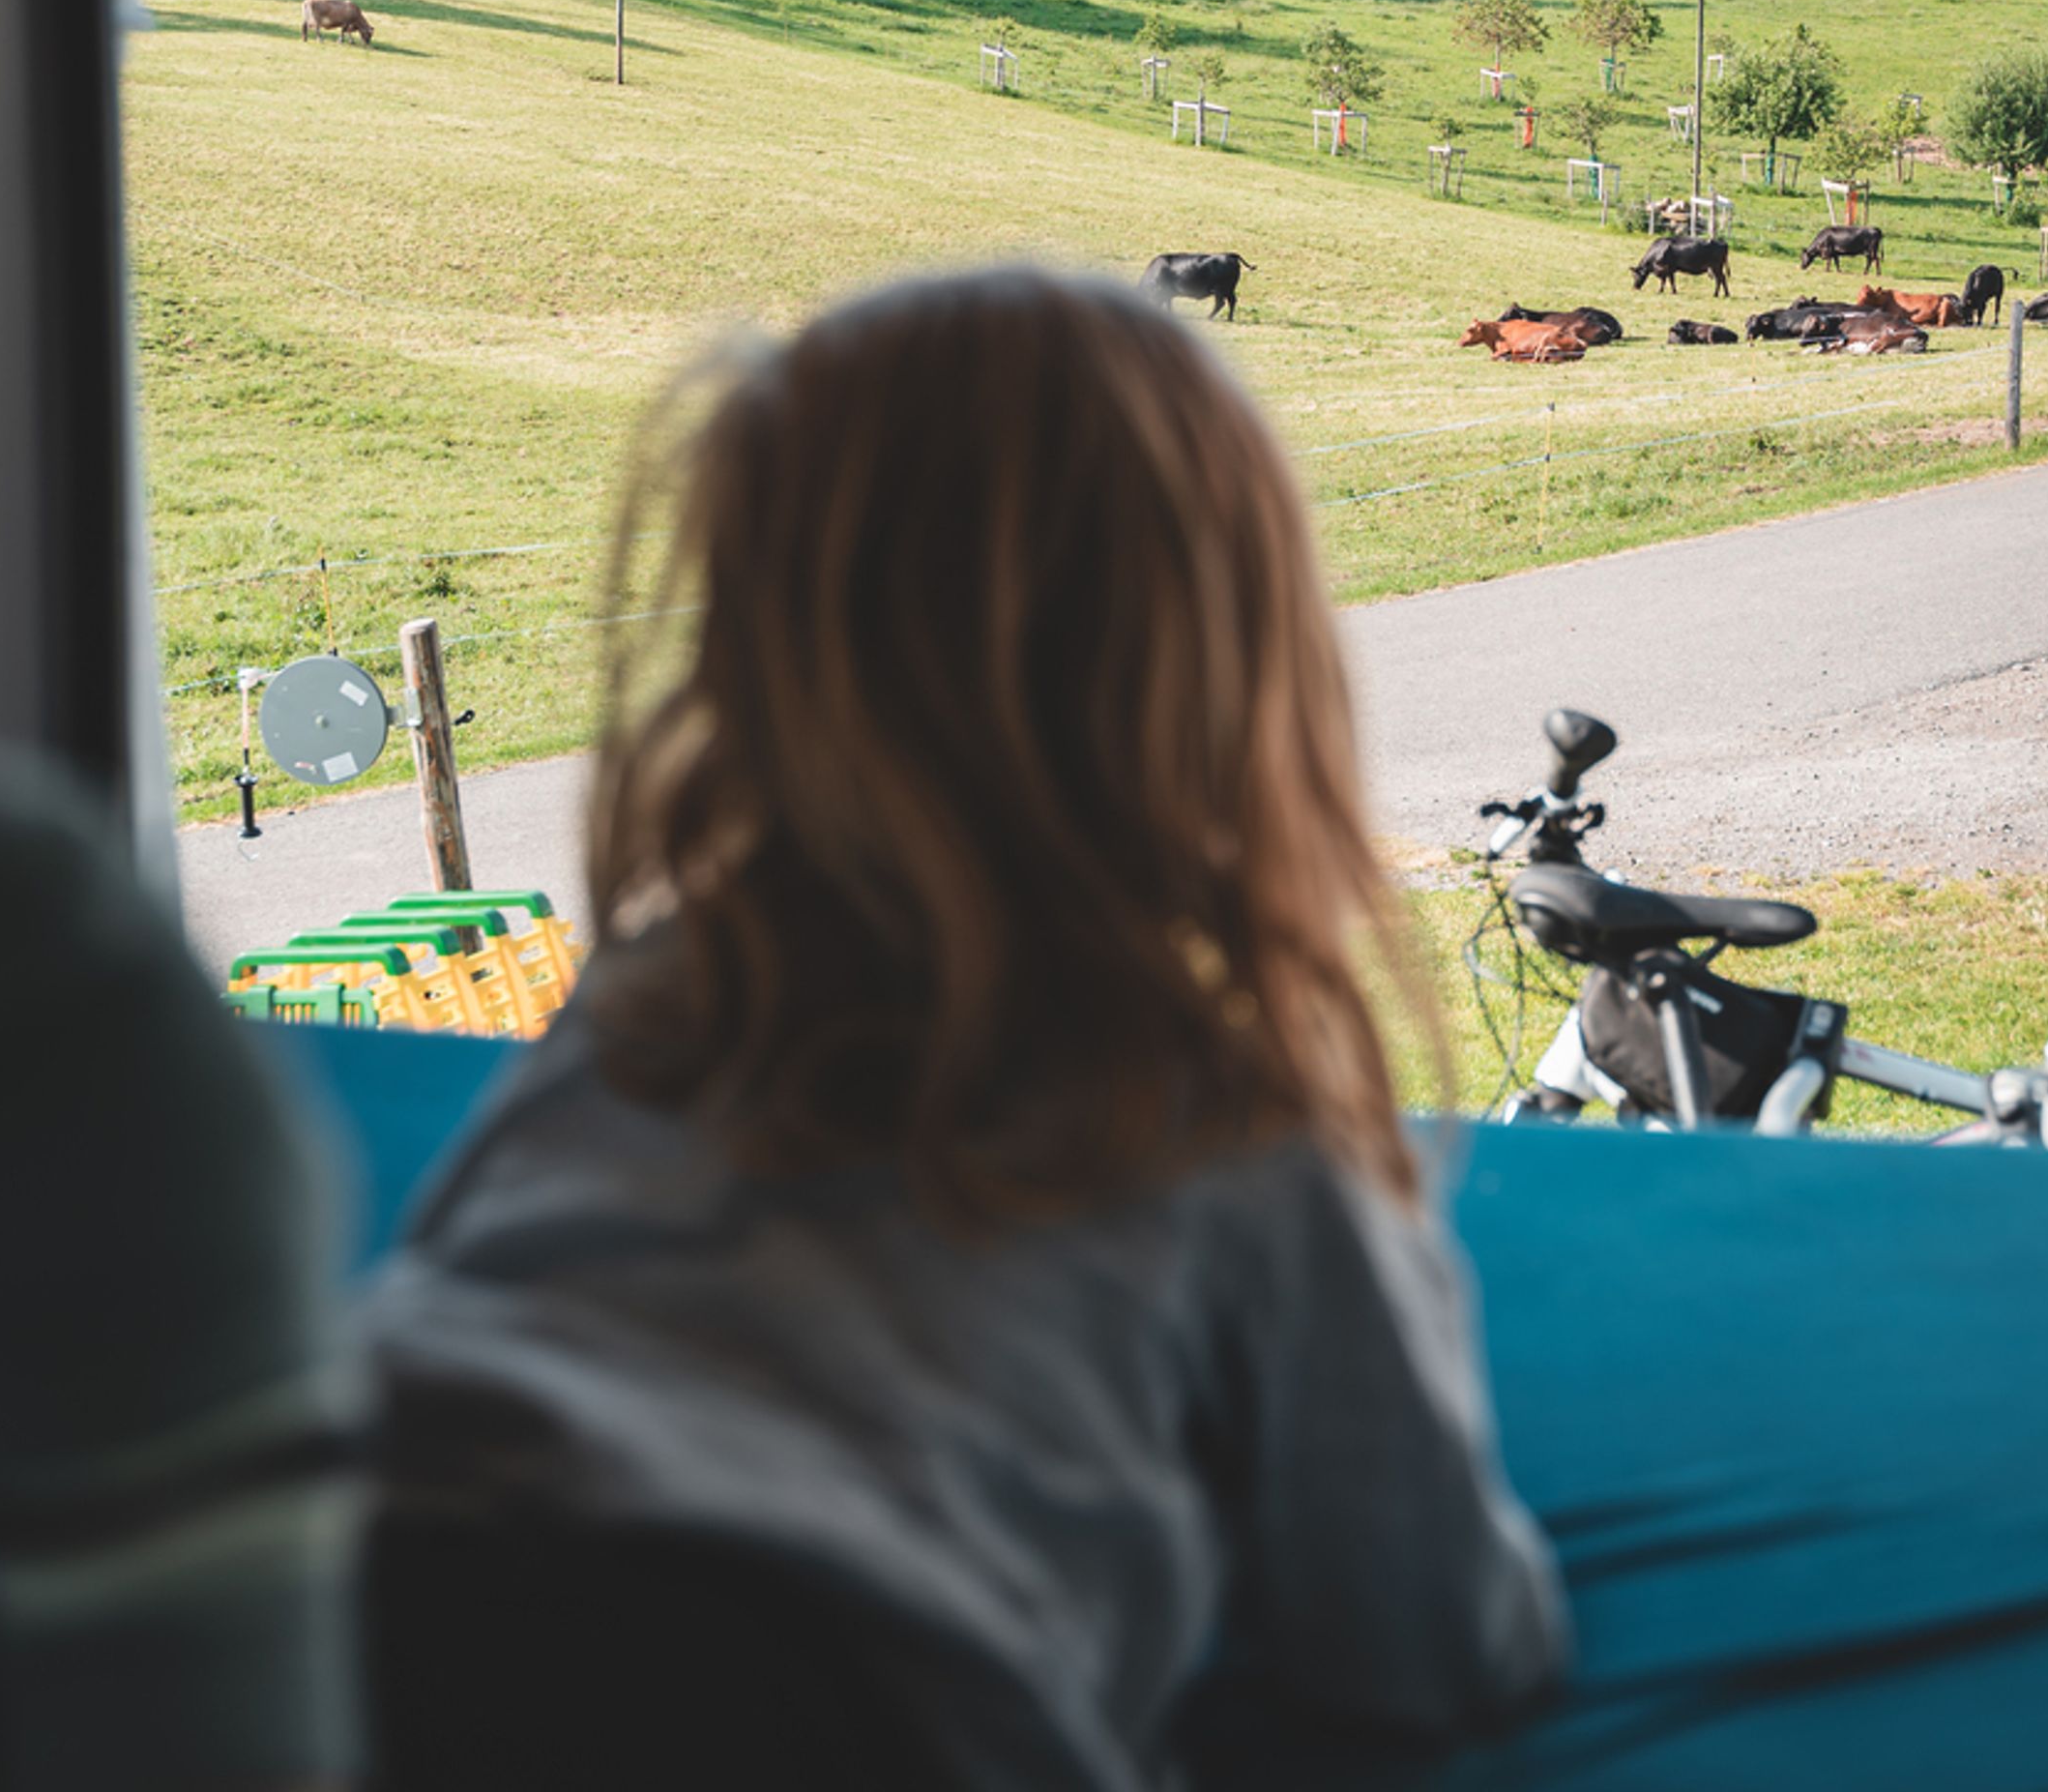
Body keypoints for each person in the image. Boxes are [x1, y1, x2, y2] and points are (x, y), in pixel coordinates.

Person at [365, 266, 1567, 1791]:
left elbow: (464, 1276)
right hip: (820, 1691)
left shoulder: (652, 1000)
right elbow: (1426, 1642)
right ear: (1229, 676)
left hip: (346, 1549)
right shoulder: (1216, 1111)